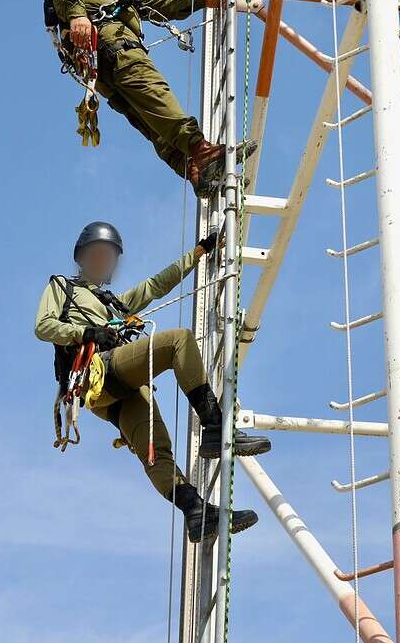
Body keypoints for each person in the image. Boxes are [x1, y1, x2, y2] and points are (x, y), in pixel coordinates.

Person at [35, 221, 271, 542]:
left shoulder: (113, 303)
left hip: (119, 390)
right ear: (82, 257)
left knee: (155, 449)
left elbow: (155, 286)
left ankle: (195, 511)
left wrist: (199, 252)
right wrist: (86, 332)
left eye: (109, 256)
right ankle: (215, 426)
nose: (104, 261)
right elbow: (44, 326)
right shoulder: (63, 288)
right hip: (96, 372)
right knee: (178, 341)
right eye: (98, 254)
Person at [50, 0, 255, 197]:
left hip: (101, 58)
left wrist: (203, 0)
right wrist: (76, 15)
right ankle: (201, 150)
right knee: (153, 92)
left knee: (148, 117)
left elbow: (154, 3)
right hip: (111, 42)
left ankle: (193, 169)